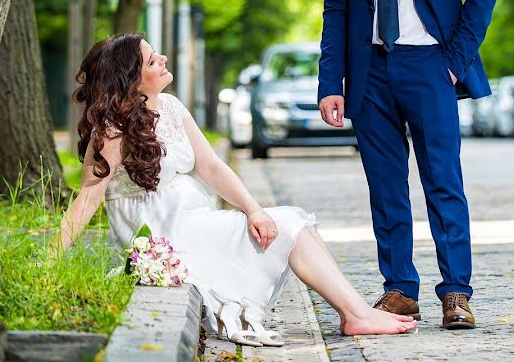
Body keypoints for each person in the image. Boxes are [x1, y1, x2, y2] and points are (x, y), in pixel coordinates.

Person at [50, 34, 417, 346]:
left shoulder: (172, 108)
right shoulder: (113, 130)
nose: (161, 59)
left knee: (291, 225)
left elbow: (211, 166)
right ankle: (357, 314)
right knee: (291, 226)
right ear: (131, 79)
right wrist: (48, 261)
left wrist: (253, 209)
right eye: (150, 60)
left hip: (194, 221)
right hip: (163, 235)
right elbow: (88, 197)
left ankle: (356, 312)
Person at [317, 0, 497, 330]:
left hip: (429, 66)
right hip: (369, 72)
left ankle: (456, 293)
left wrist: (453, 61)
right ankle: (399, 289)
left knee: (443, 180)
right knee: (385, 185)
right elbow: (336, 9)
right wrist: (332, 82)